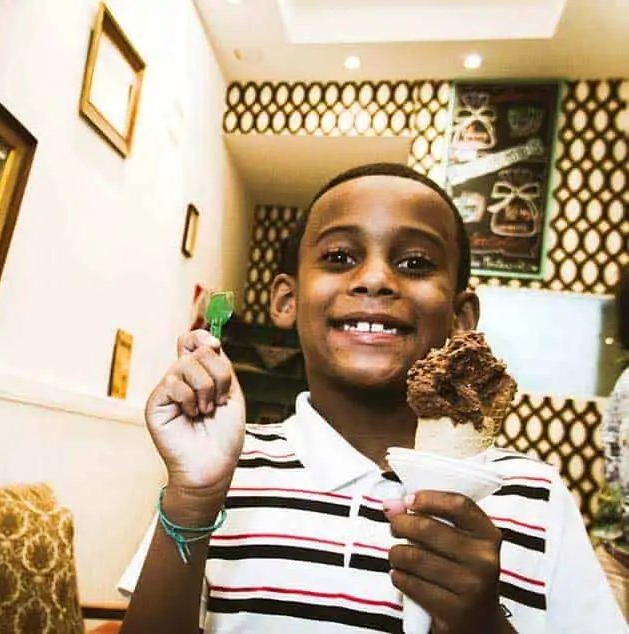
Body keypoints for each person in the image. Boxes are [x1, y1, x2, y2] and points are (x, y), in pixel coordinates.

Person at [118, 163, 626, 633]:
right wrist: (192, 500)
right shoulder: (230, 471)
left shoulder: (533, 496)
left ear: (461, 316)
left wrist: (482, 625)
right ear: (286, 300)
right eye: (340, 257)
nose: (376, 279)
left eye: (415, 262)